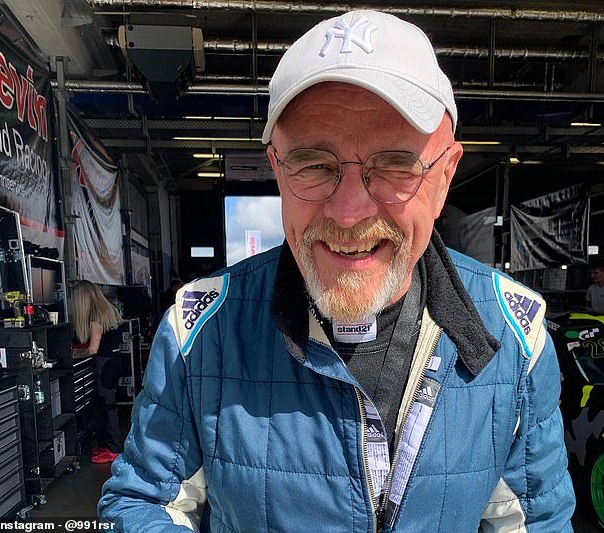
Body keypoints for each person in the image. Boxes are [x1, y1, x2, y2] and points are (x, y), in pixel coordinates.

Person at [99, 10, 575, 531]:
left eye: (395, 164)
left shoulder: (516, 339)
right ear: (277, 168)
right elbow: (142, 502)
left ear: (444, 176)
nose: (348, 213)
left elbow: (537, 522)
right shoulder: (200, 332)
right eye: (314, 164)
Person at [71, 280, 124, 464]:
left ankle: (113, 449)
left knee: (107, 405)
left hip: (105, 364)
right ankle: (107, 445)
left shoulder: (95, 316)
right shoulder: (106, 311)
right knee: (104, 404)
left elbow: (92, 349)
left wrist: (74, 353)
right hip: (112, 362)